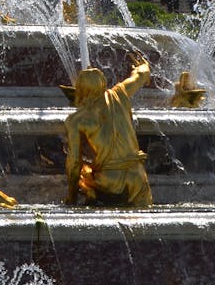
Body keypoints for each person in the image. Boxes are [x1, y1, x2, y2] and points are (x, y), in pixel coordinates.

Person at [64, 54, 153, 208]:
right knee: (144, 224)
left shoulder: (76, 120)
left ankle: (91, 195)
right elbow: (140, 75)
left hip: (109, 182)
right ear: (103, 84)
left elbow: (73, 164)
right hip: (137, 177)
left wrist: (71, 197)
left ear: (79, 89)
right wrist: (143, 66)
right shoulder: (119, 93)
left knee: (85, 173)